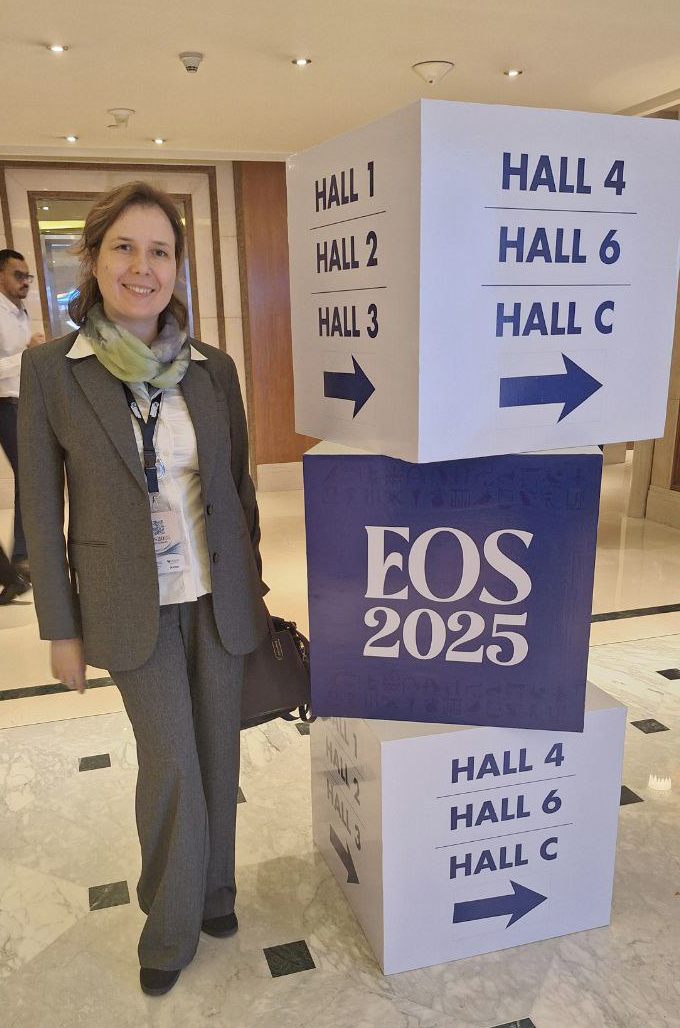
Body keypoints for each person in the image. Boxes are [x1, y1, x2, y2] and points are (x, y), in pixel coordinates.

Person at [18, 182, 268, 996]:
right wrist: (61, 628)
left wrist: (256, 591)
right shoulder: (53, 370)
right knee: (171, 762)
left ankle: (216, 892)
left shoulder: (213, 368)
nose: (142, 266)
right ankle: (169, 924)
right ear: (93, 259)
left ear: (176, 267)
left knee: (218, 751)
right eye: (124, 247)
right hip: (128, 604)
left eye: (160, 251)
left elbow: (236, 489)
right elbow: (39, 510)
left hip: (216, 596)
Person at [0, 248, 44, 603]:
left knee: (29, 478)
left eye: (27, 276)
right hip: (3, 406)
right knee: (29, 477)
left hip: (19, 404)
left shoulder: (20, 312)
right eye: (18, 275)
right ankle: (20, 558)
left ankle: (20, 557)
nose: (25, 281)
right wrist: (27, 354)